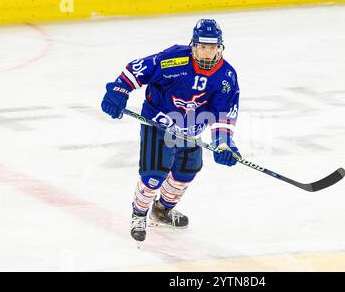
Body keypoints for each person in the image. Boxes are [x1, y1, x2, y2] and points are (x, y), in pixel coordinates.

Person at [101, 19, 241, 242]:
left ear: (220, 47)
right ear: (193, 45)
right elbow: (137, 69)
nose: (207, 53)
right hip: (158, 122)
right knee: (154, 174)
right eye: (202, 47)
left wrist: (223, 142)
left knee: (187, 171)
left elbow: (224, 113)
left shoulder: (226, 77)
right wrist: (119, 90)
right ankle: (139, 213)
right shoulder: (173, 59)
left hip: (190, 130)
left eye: (212, 47)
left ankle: (162, 209)